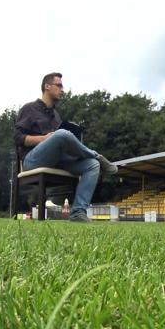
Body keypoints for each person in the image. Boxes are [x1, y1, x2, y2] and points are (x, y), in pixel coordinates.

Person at [13, 72, 117, 222]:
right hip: (31, 160)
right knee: (62, 134)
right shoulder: (29, 109)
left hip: (56, 159)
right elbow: (18, 138)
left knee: (92, 165)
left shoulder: (56, 115)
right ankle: (96, 155)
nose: (63, 90)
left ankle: (78, 212)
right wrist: (44, 138)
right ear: (47, 86)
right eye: (59, 85)